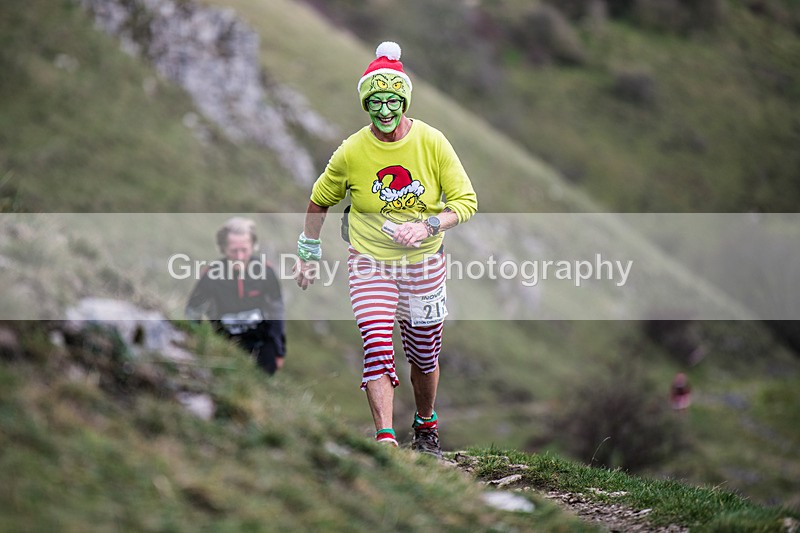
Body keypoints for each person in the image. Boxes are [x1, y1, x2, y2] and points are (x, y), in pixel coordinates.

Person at [294, 42, 478, 457]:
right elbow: (319, 199)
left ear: (404, 101)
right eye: (374, 101)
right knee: (376, 343)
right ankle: (386, 443)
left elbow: (465, 202)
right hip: (369, 262)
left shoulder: (432, 142)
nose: (384, 110)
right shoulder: (351, 151)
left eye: (392, 100)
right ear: (365, 104)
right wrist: (307, 252)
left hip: (424, 263)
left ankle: (425, 426)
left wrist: (427, 224)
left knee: (424, 354)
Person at [186, 217, 286, 375]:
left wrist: (279, 351)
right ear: (223, 248)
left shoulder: (266, 272)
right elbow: (193, 313)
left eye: (244, 250)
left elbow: (277, 313)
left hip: (262, 347)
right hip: (225, 346)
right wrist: (194, 343)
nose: (239, 256)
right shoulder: (211, 275)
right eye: (234, 251)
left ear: (253, 246)